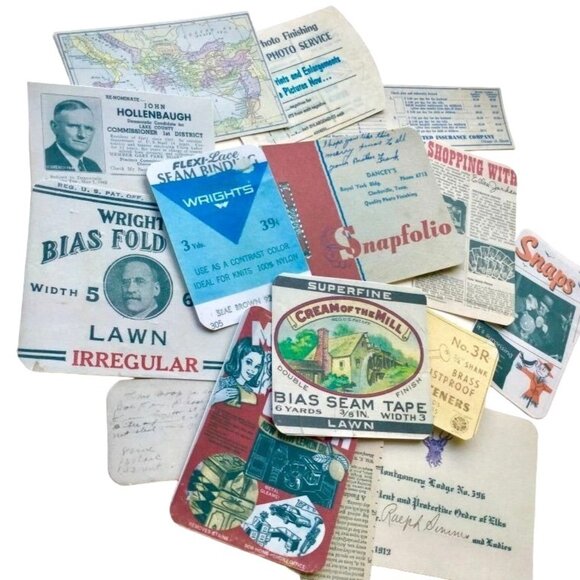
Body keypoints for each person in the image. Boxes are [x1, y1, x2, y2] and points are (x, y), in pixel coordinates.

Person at [45, 99, 102, 172]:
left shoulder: (93, 167)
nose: (82, 135)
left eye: (88, 128)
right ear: (54, 126)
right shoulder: (43, 160)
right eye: (73, 126)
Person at [212, 337, 265, 406]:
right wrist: (215, 398)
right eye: (248, 362)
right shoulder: (222, 383)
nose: (252, 370)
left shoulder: (252, 394)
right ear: (238, 359)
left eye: (257, 366)